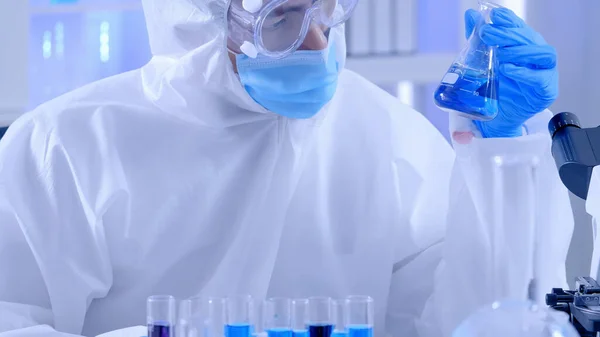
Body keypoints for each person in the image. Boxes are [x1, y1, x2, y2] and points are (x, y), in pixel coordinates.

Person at [0, 0, 573, 336]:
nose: (319, 45)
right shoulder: (68, 146)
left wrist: (503, 156)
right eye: (284, 19)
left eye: (327, 11)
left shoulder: (381, 129)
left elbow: (468, 320)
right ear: (198, 19)